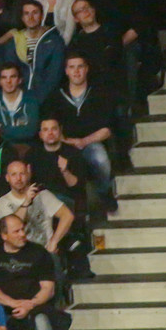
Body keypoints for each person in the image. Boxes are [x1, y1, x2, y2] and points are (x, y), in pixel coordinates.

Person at [45, 53, 117, 213]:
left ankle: (104, 192)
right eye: (72, 67)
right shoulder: (57, 95)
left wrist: (83, 142)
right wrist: (66, 141)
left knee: (100, 159)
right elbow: (50, 125)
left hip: (92, 143)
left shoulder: (99, 93)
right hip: (64, 145)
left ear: (86, 69)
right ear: (66, 71)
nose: (76, 71)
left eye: (80, 67)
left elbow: (106, 130)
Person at [0, 160, 74, 256]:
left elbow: (67, 216)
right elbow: (13, 226)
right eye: (14, 174)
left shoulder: (43, 195)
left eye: (22, 174)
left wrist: (54, 241)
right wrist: (26, 202)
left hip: (45, 252)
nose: (18, 178)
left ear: (28, 174)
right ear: (7, 178)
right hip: (18, 254)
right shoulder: (3, 202)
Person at [0, 62, 41, 145]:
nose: (8, 81)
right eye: (4, 77)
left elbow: (31, 131)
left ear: (19, 80)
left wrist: (1, 130)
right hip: (2, 149)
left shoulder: (32, 100)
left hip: (30, 148)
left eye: (13, 77)